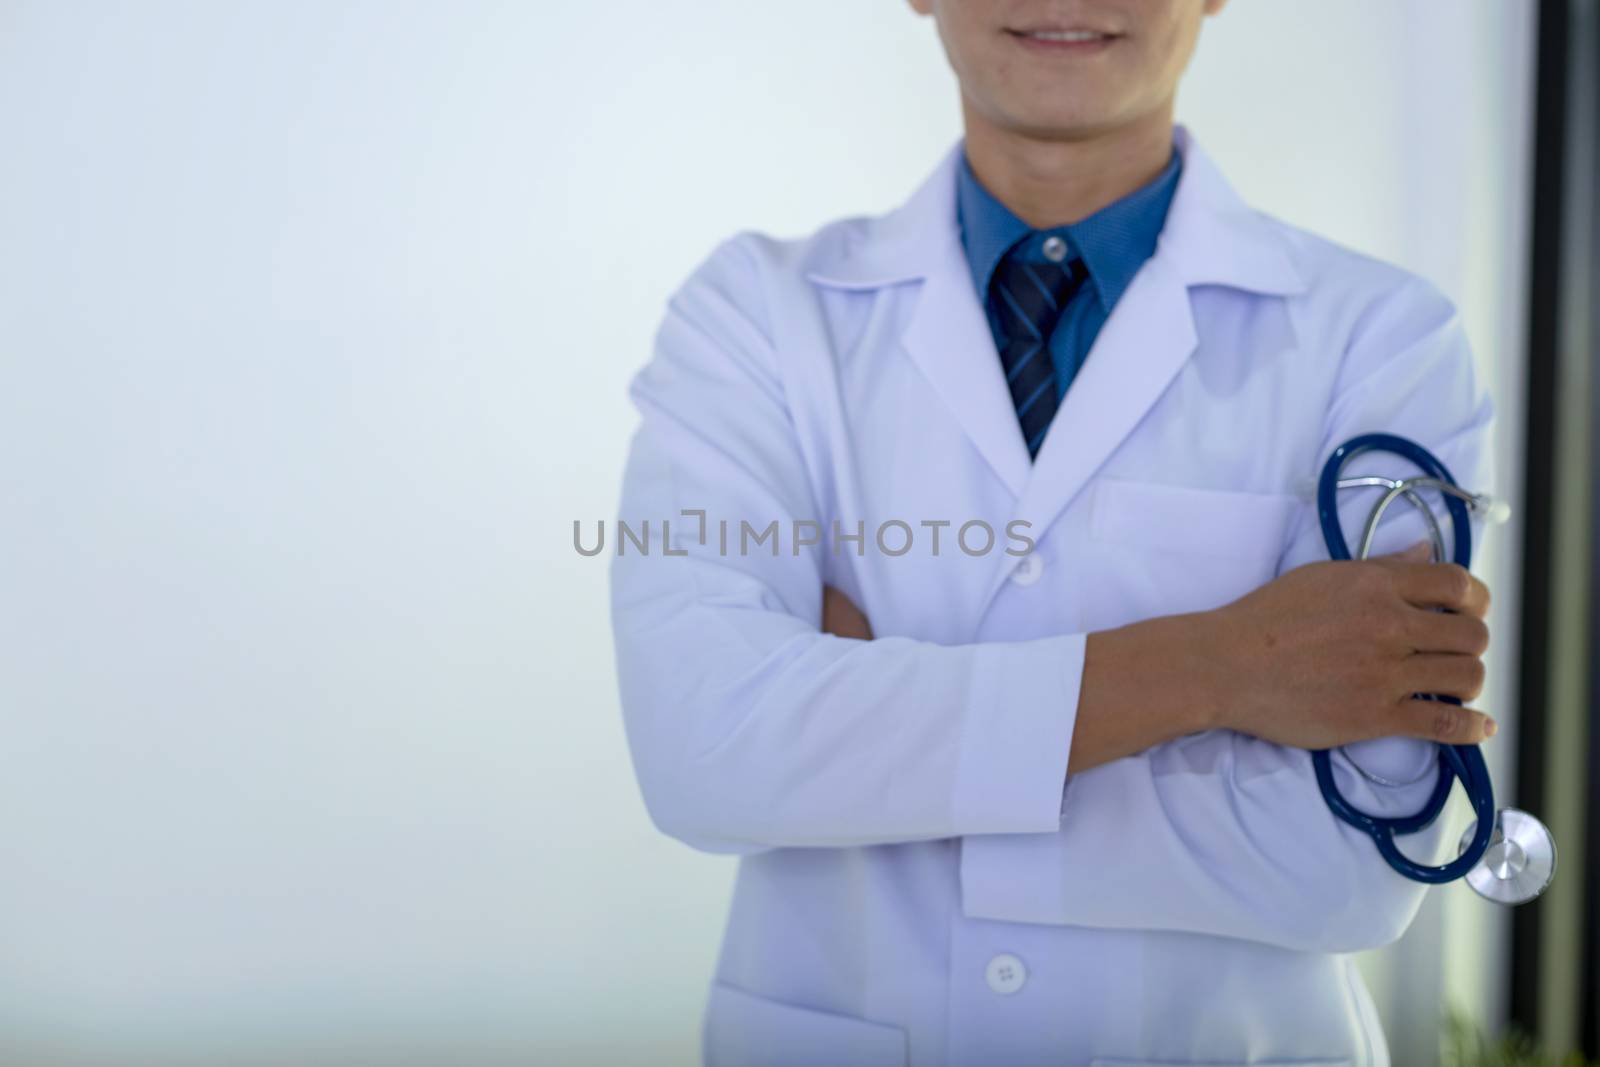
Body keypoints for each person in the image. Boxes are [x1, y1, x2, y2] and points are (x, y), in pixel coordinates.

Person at [610, 1, 1497, 1063]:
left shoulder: (1384, 337)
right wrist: (1226, 662)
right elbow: (708, 749)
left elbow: (1352, 864)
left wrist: (873, 745)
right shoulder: (754, 314)